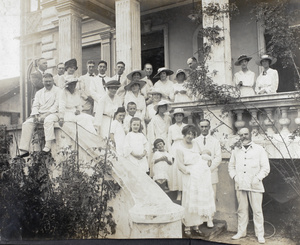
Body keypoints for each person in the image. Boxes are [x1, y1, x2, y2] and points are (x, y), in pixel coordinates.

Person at [228, 127, 270, 244]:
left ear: (250, 135)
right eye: (241, 135)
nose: (244, 137)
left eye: (246, 134)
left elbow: (265, 168)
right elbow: (231, 167)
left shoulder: (259, 149)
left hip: (255, 185)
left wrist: (257, 178)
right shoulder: (236, 150)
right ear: (239, 136)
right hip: (240, 184)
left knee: (257, 211)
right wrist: (235, 177)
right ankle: (241, 232)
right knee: (241, 210)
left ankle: (259, 234)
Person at [176, 125, 215, 236]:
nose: (190, 136)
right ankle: (187, 225)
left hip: (198, 174)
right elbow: (179, 164)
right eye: (188, 133)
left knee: (198, 198)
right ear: (184, 134)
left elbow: (201, 157)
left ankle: (196, 225)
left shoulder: (196, 144)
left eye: (192, 134)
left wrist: (203, 167)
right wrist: (189, 172)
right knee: (189, 199)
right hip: (188, 174)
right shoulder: (179, 147)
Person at [18, 73, 60, 157]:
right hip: (40, 114)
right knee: (27, 123)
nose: (48, 83)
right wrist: (36, 115)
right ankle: (24, 150)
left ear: (53, 81)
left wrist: (45, 115)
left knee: (48, 121)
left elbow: (56, 105)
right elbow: (35, 105)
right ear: (42, 82)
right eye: (46, 81)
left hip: (53, 113)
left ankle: (47, 146)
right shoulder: (39, 93)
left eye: (50, 81)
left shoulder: (58, 91)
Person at [194, 119, 222, 228]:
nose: (204, 129)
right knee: (200, 195)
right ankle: (201, 218)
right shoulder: (195, 141)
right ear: (199, 127)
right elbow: (195, 156)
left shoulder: (215, 141)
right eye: (202, 127)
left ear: (209, 127)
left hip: (211, 172)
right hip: (199, 173)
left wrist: (208, 169)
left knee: (211, 196)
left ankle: (210, 218)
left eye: (206, 126)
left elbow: (218, 158)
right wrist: (201, 169)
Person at [167, 108, 187, 197]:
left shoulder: (186, 126)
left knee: (183, 169)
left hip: (184, 146)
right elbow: (168, 141)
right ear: (174, 117)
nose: (178, 117)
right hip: (175, 147)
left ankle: (184, 192)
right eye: (177, 115)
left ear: (182, 117)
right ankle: (178, 192)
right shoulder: (171, 127)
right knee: (175, 170)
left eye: (180, 115)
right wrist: (171, 153)